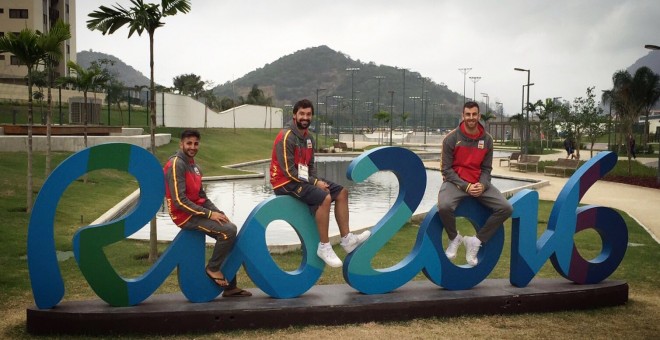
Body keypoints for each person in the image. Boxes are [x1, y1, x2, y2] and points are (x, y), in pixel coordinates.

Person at [270, 99, 371, 267]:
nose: (305, 117)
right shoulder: (286, 136)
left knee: (342, 193)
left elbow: (310, 166)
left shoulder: (309, 138)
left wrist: (316, 180)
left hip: (302, 180)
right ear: (294, 115)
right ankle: (324, 246)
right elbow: (289, 171)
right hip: (284, 183)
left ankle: (346, 239)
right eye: (301, 113)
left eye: (308, 114)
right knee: (324, 197)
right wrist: (315, 182)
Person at [164, 129, 252, 297]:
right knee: (228, 231)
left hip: (197, 212)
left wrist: (217, 212)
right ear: (181, 144)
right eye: (188, 143)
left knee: (230, 231)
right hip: (184, 215)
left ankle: (230, 287)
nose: (192, 147)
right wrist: (209, 215)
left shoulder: (195, 167)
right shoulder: (176, 164)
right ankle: (212, 268)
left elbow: (201, 196)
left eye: (196, 143)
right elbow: (179, 201)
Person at [437, 101, 513, 266]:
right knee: (444, 206)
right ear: (463, 116)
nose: (471, 118)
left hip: (478, 182)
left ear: (479, 116)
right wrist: (466, 186)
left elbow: (487, 168)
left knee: (506, 208)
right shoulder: (451, 138)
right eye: (467, 114)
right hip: (456, 182)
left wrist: (483, 185)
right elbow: (446, 169)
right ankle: (454, 238)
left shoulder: (487, 140)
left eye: (474, 114)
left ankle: (476, 241)